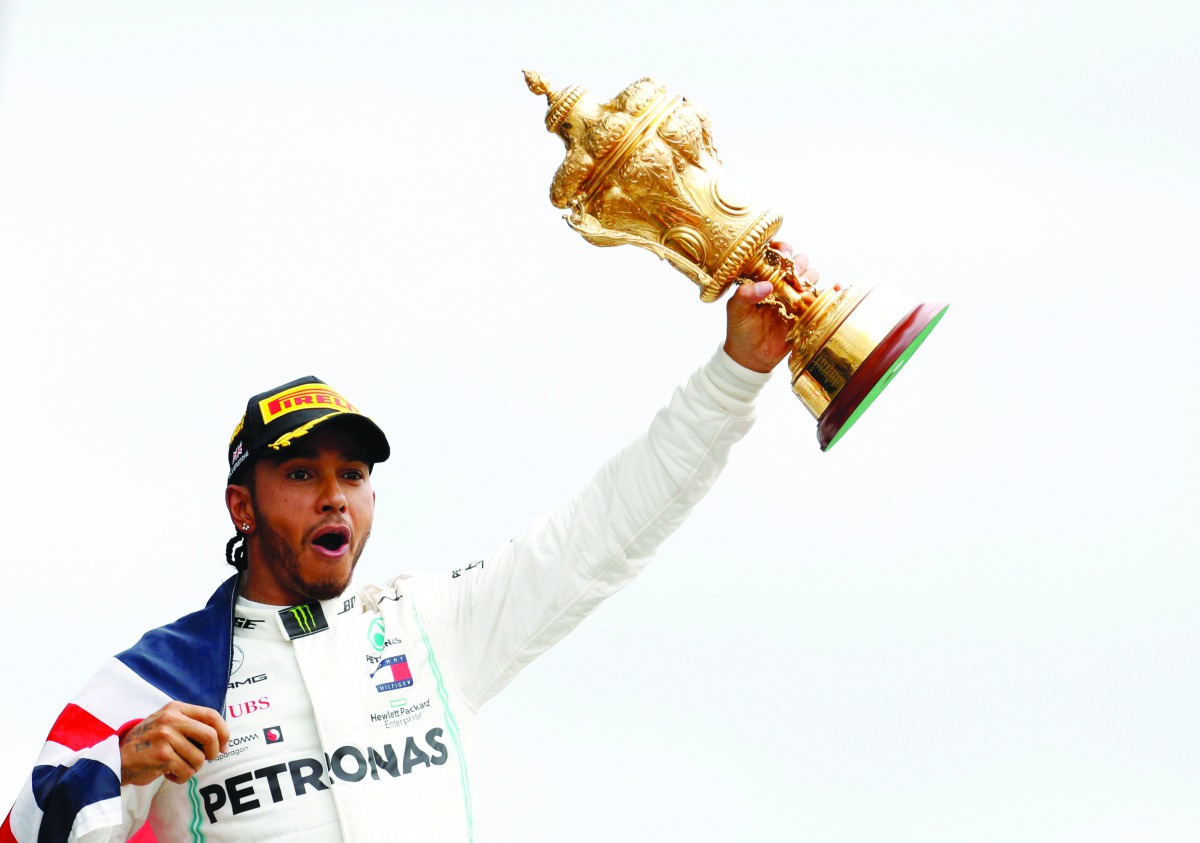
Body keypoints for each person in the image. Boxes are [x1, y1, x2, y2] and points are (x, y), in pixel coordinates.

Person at [2, 247, 816, 843]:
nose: (334, 496)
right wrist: (127, 762)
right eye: (302, 473)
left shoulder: (429, 624)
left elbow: (607, 527)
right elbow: (29, 826)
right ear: (241, 506)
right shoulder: (156, 677)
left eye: (352, 472)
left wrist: (736, 373)